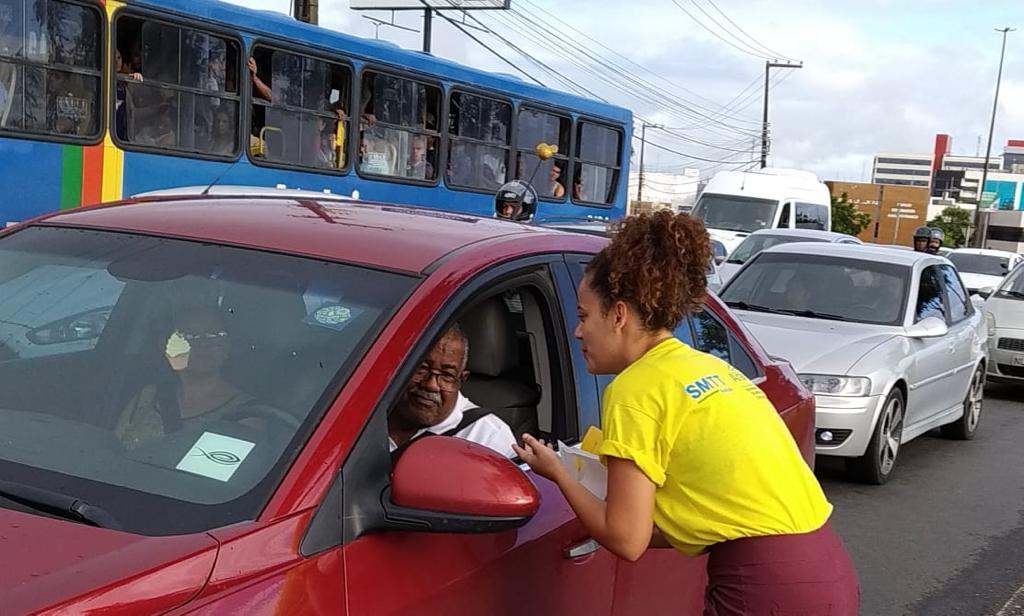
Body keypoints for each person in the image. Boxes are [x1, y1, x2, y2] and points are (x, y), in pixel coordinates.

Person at [513, 210, 859, 615]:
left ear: (619, 315)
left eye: (584, 316)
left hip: (767, 587)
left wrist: (557, 472)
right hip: (827, 569)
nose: (577, 332)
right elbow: (702, 515)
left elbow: (627, 540)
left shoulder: (634, 388)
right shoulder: (711, 368)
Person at [115, 305, 260, 451]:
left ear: (228, 346)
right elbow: (111, 453)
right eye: (188, 336)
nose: (203, 343)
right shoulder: (147, 396)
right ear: (165, 346)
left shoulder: (246, 413)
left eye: (215, 335)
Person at [388, 325, 517, 458]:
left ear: (461, 380)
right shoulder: (372, 407)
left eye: (447, 375)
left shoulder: (487, 436)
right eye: (422, 368)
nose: (431, 385)